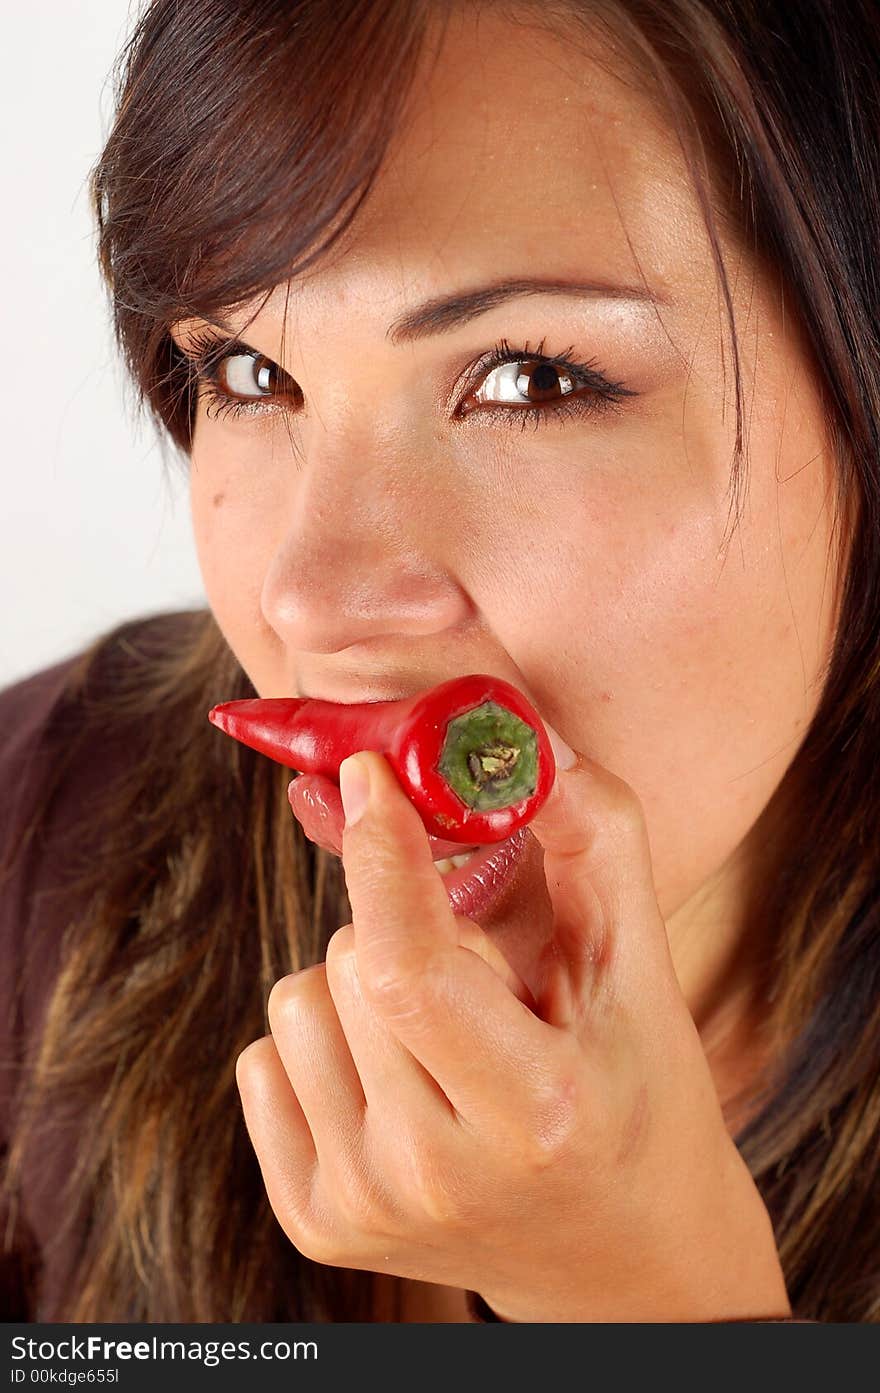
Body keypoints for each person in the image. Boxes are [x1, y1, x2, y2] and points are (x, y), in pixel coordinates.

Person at [2, 0, 878, 1323]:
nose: (308, 596)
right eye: (248, 371)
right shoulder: (36, 836)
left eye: (530, 377)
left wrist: (661, 1309)